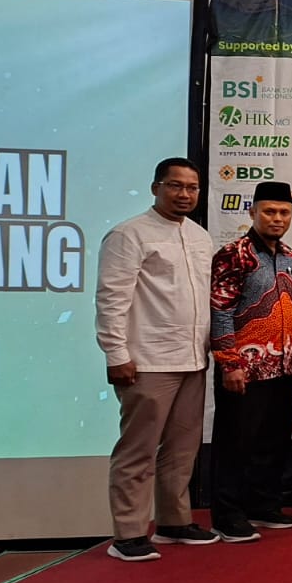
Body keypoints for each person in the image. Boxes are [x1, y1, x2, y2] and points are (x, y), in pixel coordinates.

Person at [94, 157, 217, 561]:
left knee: (182, 449)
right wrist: (116, 353)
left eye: (192, 188)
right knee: (138, 450)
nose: (184, 194)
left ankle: (173, 522)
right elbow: (111, 299)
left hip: (193, 359)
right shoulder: (128, 234)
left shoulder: (200, 237)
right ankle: (128, 534)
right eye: (175, 185)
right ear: (155, 188)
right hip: (146, 360)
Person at [209, 181, 292, 543]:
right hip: (244, 369)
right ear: (252, 212)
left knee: (273, 442)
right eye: (269, 211)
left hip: (283, 367)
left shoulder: (291, 257)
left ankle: (263, 506)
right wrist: (229, 362)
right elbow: (221, 310)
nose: (277, 218)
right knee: (236, 443)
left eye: (284, 212)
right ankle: (227, 516)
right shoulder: (234, 254)